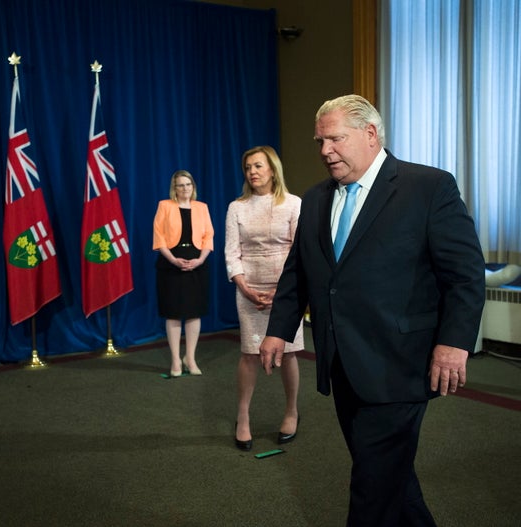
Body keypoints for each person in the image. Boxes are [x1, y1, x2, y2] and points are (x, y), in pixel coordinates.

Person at [260, 95, 485, 526]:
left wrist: (453, 343)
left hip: (401, 362)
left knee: (372, 484)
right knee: (388, 476)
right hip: (342, 362)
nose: (325, 150)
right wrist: (278, 330)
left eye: (335, 139)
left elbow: (465, 274)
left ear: (370, 134)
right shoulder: (316, 199)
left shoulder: (428, 187)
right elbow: (299, 275)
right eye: (320, 141)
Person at [225, 146, 303, 451]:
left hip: (285, 290)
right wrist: (244, 286)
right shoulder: (237, 207)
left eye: (258, 166)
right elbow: (232, 252)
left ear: (272, 169)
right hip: (249, 289)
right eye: (248, 168)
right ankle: (242, 417)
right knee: (249, 354)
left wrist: (281, 290)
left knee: (290, 352)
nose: (252, 172)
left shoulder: (294, 204)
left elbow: (299, 252)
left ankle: (292, 411)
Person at [153, 170, 214, 377]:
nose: (185, 188)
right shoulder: (165, 206)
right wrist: (173, 260)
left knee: (194, 312)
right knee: (173, 313)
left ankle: (190, 358)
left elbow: (208, 236)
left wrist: (200, 260)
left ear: (193, 187)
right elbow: (159, 236)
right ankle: (175, 360)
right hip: (171, 264)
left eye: (188, 184)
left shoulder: (202, 207)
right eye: (180, 185)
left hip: (197, 263)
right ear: (174, 188)